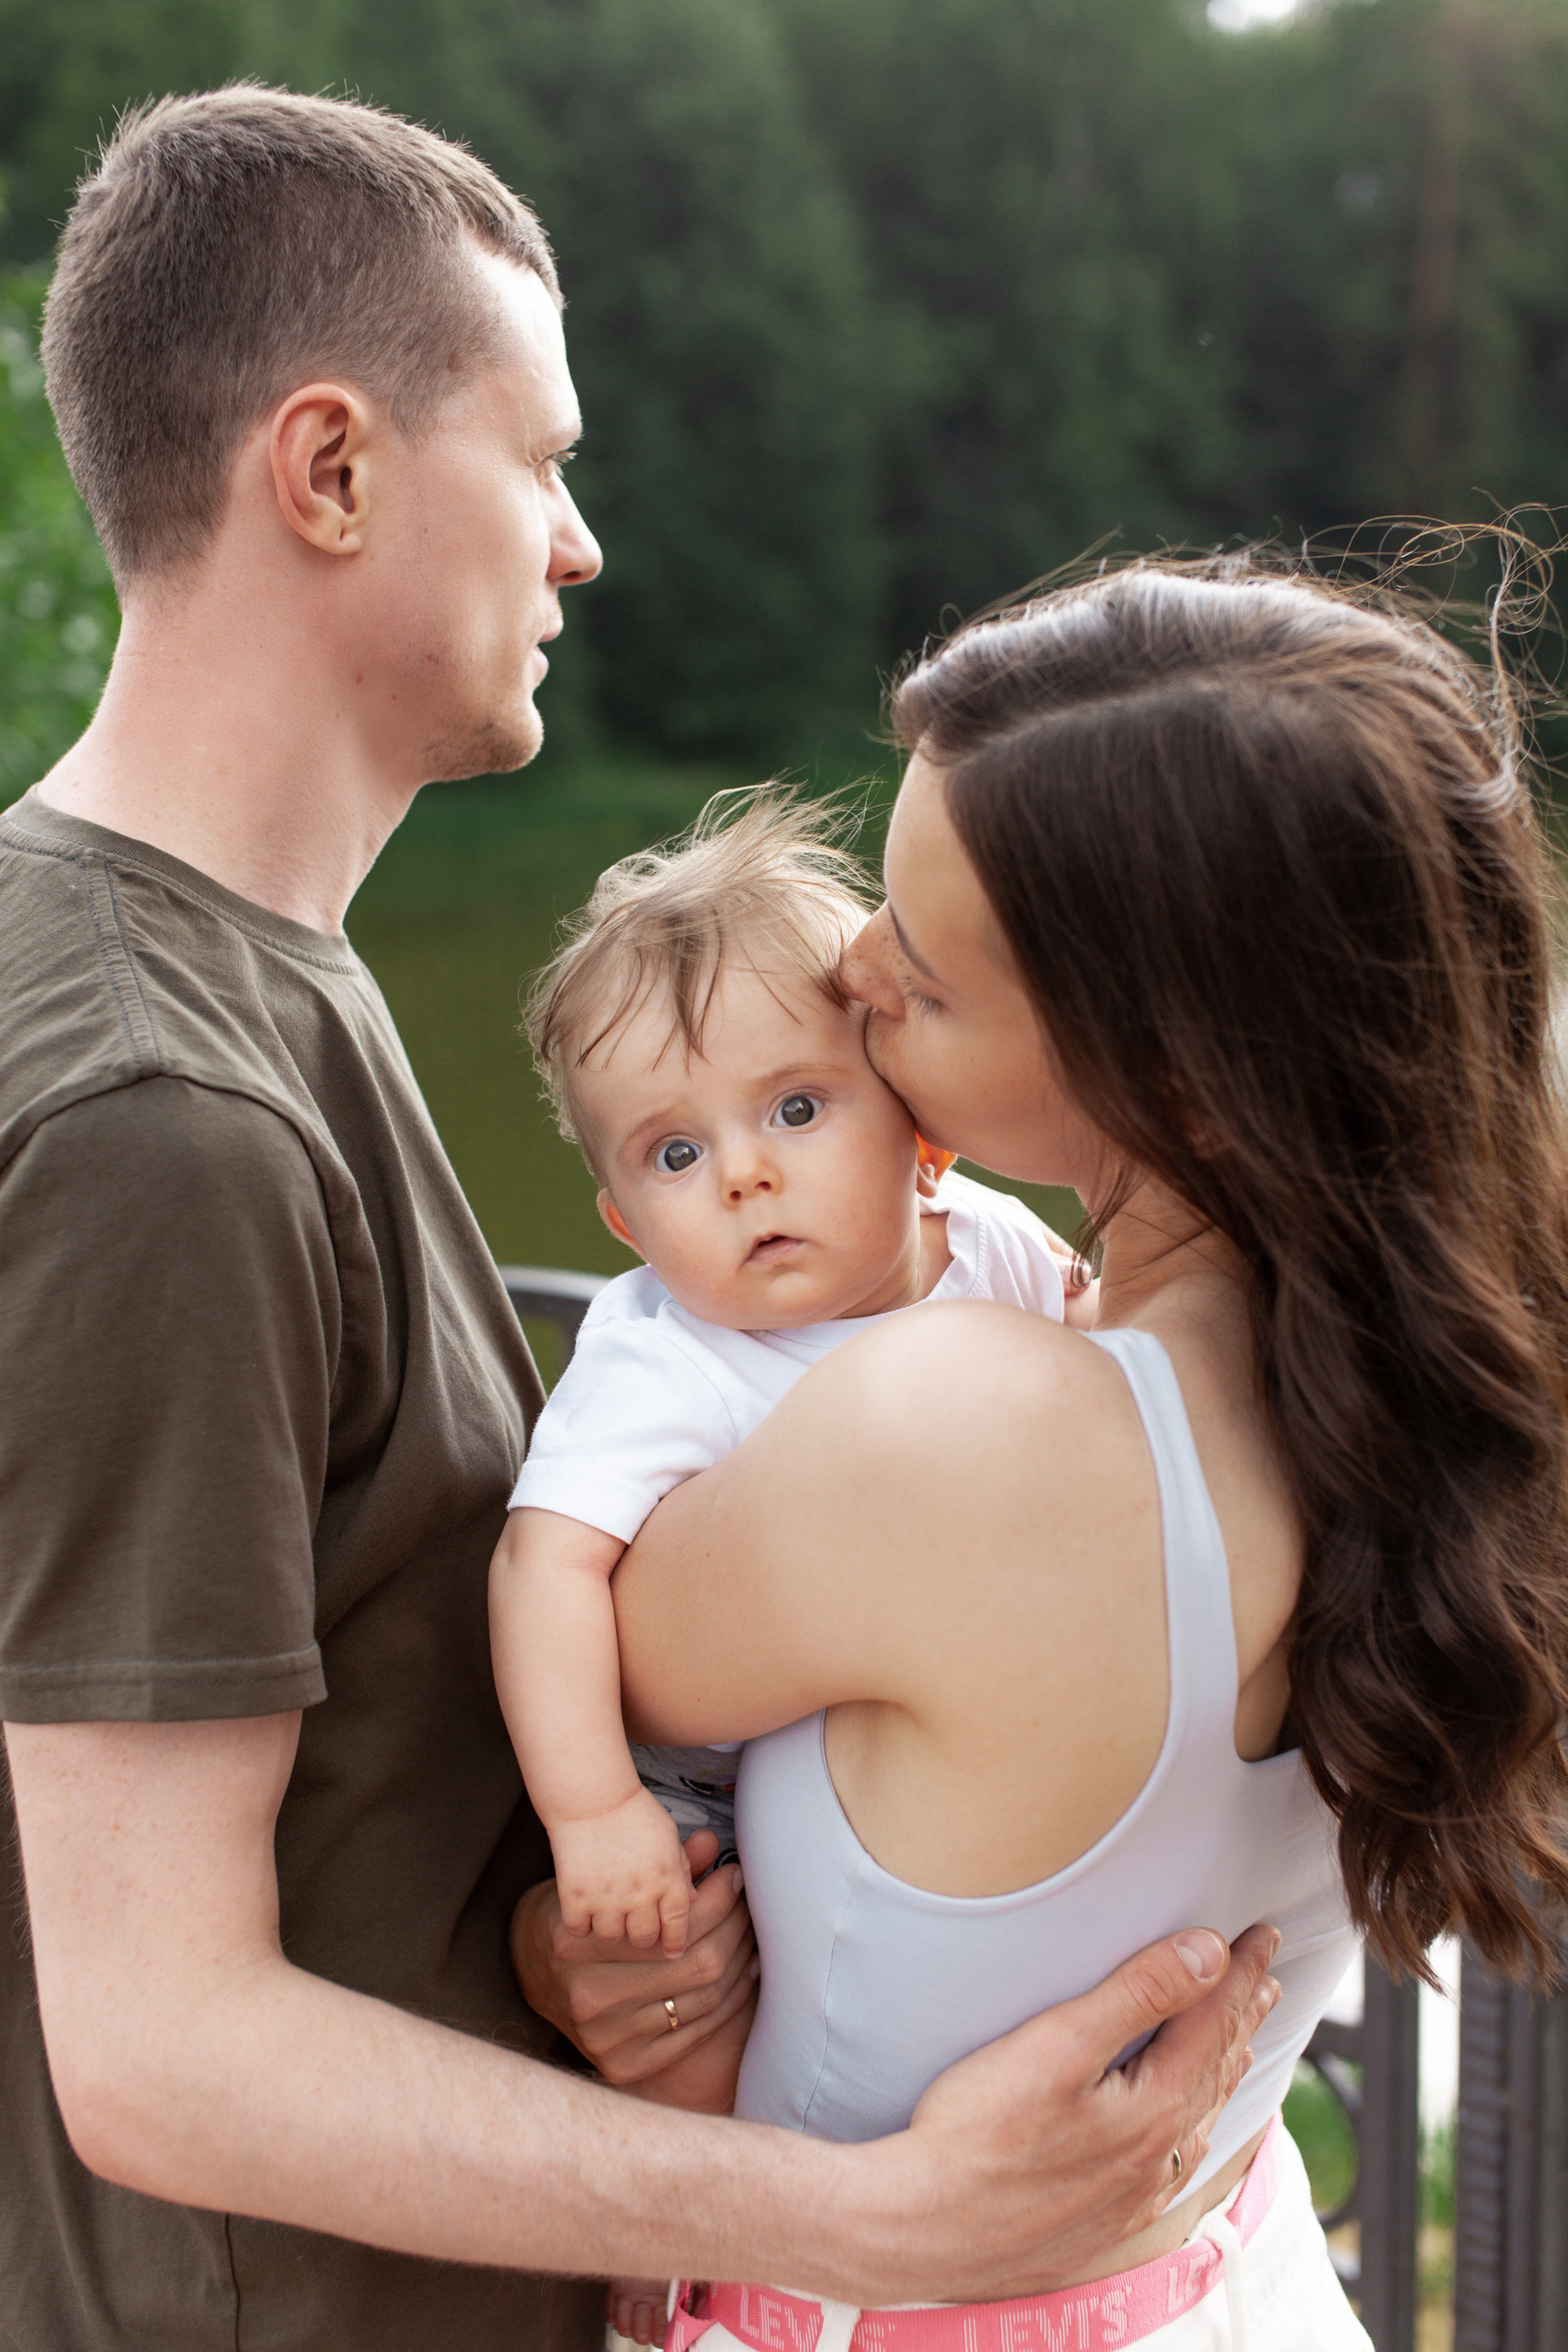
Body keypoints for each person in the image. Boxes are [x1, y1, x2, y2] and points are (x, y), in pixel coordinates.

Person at [0, 85, 1277, 2352]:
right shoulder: (157, 1107)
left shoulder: (218, 969)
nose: (585, 544)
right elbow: (158, 2048)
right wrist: (850, 2213)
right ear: (330, 472)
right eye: (546, 456)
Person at [608, 564, 1568, 2351]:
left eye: (928, 970)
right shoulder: (1459, 1377)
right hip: (1234, 2285)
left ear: (1182, 1083)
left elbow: (577, 1652)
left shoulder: (964, 1432)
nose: (848, 967)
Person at [492, 789, 1080, 1985]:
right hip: (709, 1800)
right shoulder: (662, 1358)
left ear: (926, 1137)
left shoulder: (996, 1242)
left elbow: (1119, 1362)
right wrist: (595, 1810)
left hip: (948, 1742)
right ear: (627, 1226)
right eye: (676, 1154)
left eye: (797, 1109)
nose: (746, 1176)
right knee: (690, 2006)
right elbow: (542, 1569)